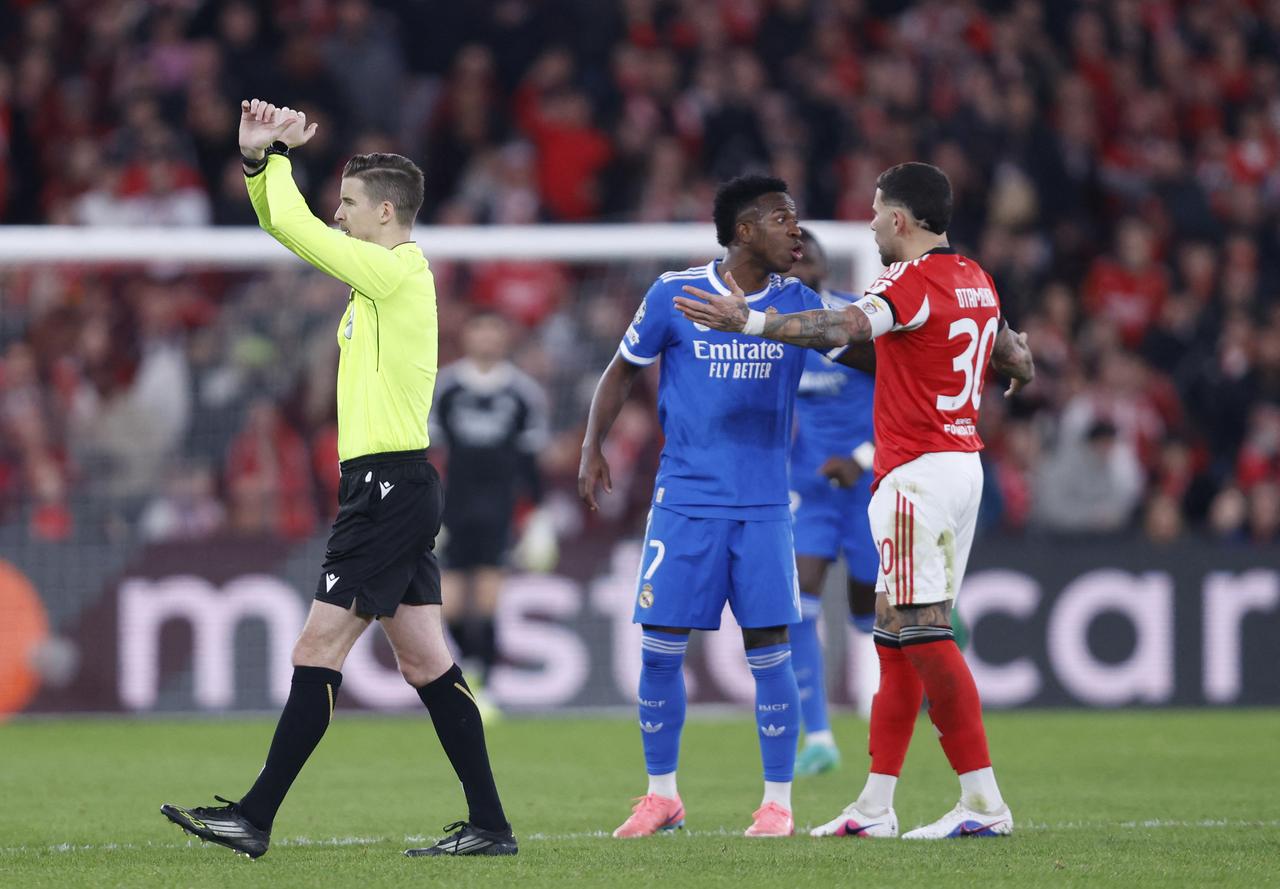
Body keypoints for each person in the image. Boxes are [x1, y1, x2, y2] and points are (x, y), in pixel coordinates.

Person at [160, 99, 516, 859]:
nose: (339, 214)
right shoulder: (381, 282)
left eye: (350, 203)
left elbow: (293, 229)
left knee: (316, 648)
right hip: (392, 487)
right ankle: (490, 825)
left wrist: (270, 161)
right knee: (426, 661)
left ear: (386, 213)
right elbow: (285, 225)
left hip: (389, 489)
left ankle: (254, 816)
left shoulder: (393, 274)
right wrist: (260, 164)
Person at [675, 162, 1035, 839]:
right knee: (896, 641)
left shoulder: (906, 280)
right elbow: (1012, 353)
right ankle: (875, 805)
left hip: (917, 476)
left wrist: (749, 321)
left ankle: (984, 801)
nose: (868, 224)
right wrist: (1023, 366)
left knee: (925, 636)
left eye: (874, 212)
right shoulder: (976, 279)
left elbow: (847, 323)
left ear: (900, 219)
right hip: (961, 467)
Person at [579, 174, 832, 838]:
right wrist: (591, 445)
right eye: (782, 218)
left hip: (765, 507)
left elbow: (866, 352)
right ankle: (662, 795)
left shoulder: (800, 304)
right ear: (744, 230)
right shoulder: (673, 292)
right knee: (660, 651)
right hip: (685, 501)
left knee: (770, 647)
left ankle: (778, 802)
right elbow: (623, 366)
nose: (796, 230)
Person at [786, 228, 879, 778]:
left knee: (872, 613)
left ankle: (878, 717)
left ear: (824, 268)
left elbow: (902, 402)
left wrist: (861, 458)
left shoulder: (857, 323)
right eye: (790, 262)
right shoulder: (775, 335)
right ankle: (817, 735)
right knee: (799, 605)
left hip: (867, 484)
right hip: (808, 493)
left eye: (808, 259)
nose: (799, 269)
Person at [431, 310, 554, 701]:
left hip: (498, 510)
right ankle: (472, 672)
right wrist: (427, 510)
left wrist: (537, 517)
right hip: (452, 510)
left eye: (493, 332)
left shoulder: (523, 393)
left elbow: (530, 462)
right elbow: (429, 455)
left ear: (505, 339)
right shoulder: (445, 388)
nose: (486, 339)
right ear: (467, 337)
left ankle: (481, 685)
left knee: (486, 603)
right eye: (479, 330)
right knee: (447, 608)